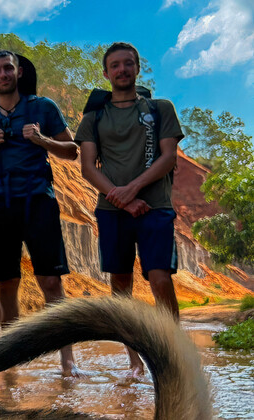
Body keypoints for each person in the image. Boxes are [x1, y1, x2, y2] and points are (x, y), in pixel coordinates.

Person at [0, 50, 81, 377]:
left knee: (51, 281)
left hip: (38, 200)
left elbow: (71, 151)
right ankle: (10, 359)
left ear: (18, 73)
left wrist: (41, 140)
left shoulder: (43, 108)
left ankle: (68, 361)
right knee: (7, 283)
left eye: (7, 69)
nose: (2, 75)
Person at [76, 42, 183, 377]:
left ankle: (173, 353)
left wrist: (133, 189)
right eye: (115, 65)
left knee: (159, 277)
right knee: (120, 283)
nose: (122, 70)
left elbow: (169, 158)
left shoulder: (160, 108)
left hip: (155, 207)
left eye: (128, 64)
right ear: (106, 73)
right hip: (112, 211)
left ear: (138, 68)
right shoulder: (93, 116)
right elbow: (88, 167)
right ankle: (134, 360)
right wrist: (122, 199)